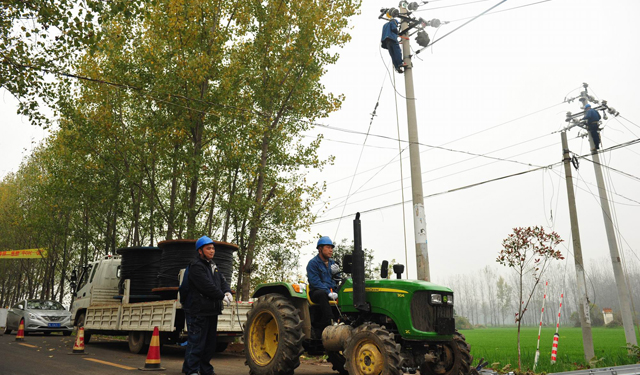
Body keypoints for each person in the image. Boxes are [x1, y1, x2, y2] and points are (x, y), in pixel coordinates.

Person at [182, 236, 233, 375]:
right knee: (196, 342)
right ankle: (192, 370)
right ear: (200, 251)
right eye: (208, 248)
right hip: (197, 310)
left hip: (211, 310)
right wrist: (221, 296)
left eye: (213, 248)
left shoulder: (213, 266)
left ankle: (205, 369)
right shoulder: (196, 266)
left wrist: (227, 291)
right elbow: (206, 286)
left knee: (209, 344)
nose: (212, 251)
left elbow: (221, 280)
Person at [306, 236, 339, 337]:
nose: (331, 250)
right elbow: (315, 282)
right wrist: (328, 291)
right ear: (320, 249)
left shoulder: (333, 263)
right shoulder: (313, 263)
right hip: (316, 292)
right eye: (328, 247)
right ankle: (331, 321)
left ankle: (343, 320)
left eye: (332, 248)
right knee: (322, 294)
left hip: (332, 290)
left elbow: (337, 279)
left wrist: (337, 274)